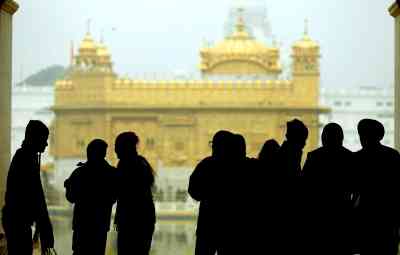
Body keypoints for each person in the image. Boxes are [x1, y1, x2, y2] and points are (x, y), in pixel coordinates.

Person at [2, 120, 54, 255]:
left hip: (16, 221)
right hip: (19, 223)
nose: (46, 143)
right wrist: (45, 226)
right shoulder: (27, 159)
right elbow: (37, 196)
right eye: (44, 139)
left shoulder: (24, 157)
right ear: (36, 138)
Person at [302, 123, 354, 254]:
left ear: (323, 137)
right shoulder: (350, 157)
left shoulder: (313, 156)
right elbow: (356, 187)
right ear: (341, 138)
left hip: (318, 215)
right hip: (342, 214)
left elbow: (305, 186)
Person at [354, 119, 400, 255]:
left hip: (365, 218)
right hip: (388, 217)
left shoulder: (357, 158)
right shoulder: (393, 156)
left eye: (362, 134)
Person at [64, 139, 117, 255]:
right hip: (100, 225)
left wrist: (68, 185)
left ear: (89, 153)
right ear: (103, 154)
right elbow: (113, 198)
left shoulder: (79, 173)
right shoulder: (112, 174)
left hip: (81, 225)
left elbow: (70, 198)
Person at [188, 130, 235, 255]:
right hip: (231, 227)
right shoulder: (238, 166)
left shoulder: (206, 164)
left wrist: (207, 196)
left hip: (208, 224)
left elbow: (193, 190)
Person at [114, 132, 156, 255]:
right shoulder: (141, 162)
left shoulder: (126, 164)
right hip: (144, 218)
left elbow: (121, 190)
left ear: (124, 147)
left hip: (132, 220)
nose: (115, 149)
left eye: (117, 145)